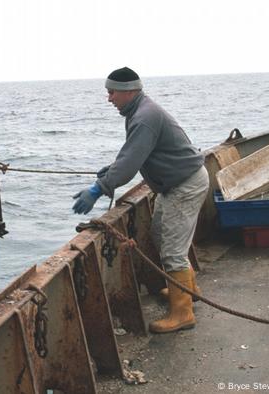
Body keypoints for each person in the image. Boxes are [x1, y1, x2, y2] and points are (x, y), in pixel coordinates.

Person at [72, 67, 209, 334]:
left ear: (128, 91)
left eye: (111, 92)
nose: (109, 98)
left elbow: (130, 165)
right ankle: (188, 289)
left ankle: (182, 313)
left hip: (185, 185)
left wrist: (98, 188)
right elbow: (133, 154)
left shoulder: (144, 117)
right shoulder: (139, 112)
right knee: (161, 234)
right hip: (178, 183)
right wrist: (110, 171)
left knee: (172, 250)